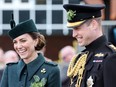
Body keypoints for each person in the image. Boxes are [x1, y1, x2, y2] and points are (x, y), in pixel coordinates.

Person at [63, 4, 116, 87]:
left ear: (93, 25)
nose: (74, 34)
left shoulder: (111, 58)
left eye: (77, 28)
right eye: (73, 29)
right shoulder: (79, 59)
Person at [0, 18, 61, 87]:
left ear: (36, 41)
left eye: (23, 41)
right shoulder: (10, 69)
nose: (18, 46)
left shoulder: (51, 70)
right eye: (15, 42)